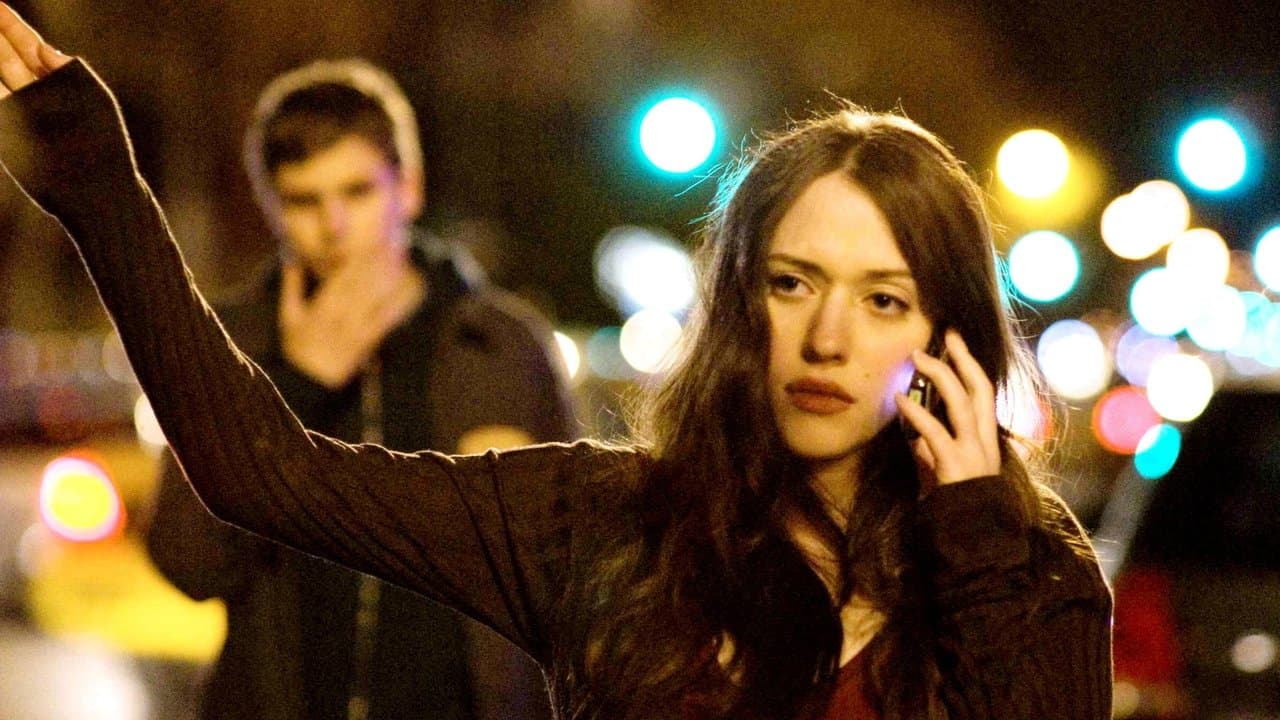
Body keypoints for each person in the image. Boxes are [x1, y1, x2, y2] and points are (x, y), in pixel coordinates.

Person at [0, 7, 1112, 719]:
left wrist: (974, 544)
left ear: (946, 335)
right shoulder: (605, 522)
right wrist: (99, 186)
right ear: (739, 303)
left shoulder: (1033, 572)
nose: (828, 337)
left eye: (883, 299)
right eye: (790, 282)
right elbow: (267, 474)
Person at [137, 58, 572, 720]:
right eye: (304, 200)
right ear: (271, 206)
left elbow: (568, 572)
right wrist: (296, 382)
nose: (333, 224)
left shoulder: (498, 346)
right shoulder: (232, 341)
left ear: (409, 188)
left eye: (358, 191)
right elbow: (187, 562)